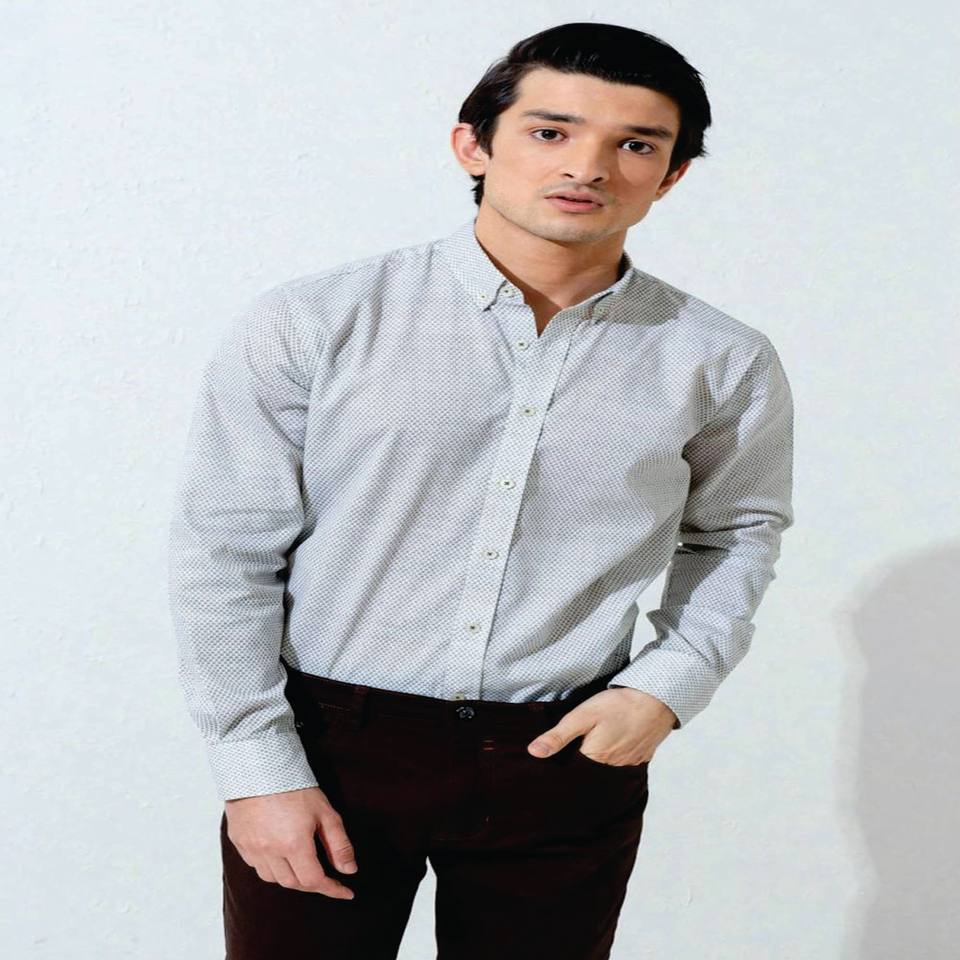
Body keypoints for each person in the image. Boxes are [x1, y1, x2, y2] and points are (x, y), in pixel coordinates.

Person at [167, 21, 795, 960]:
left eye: (635, 145)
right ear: (474, 144)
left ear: (670, 177)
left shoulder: (720, 359)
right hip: (329, 745)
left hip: (565, 751)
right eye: (550, 131)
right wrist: (255, 768)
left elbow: (736, 532)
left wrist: (664, 688)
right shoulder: (316, 321)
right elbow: (225, 549)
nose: (588, 166)